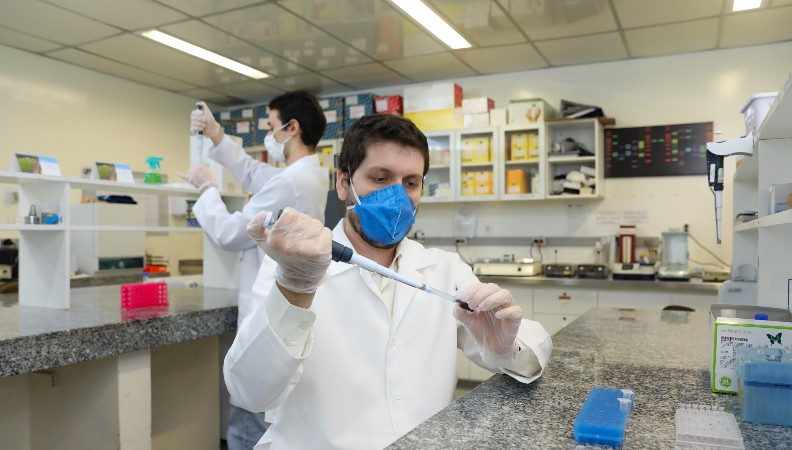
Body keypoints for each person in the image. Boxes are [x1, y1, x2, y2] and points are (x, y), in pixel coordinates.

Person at [224, 114, 553, 449]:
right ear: (343, 183)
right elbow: (249, 390)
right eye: (380, 178)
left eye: (411, 182)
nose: (397, 196)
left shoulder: (443, 269)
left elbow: (534, 347)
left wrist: (505, 348)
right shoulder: (290, 268)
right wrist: (294, 290)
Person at [183, 91, 328, 450]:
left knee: (249, 420)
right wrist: (217, 134)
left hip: (268, 309)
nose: (268, 133)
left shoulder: (292, 182)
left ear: (291, 128)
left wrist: (206, 190)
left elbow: (231, 234)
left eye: (270, 126)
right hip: (284, 306)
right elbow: (252, 172)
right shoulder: (307, 175)